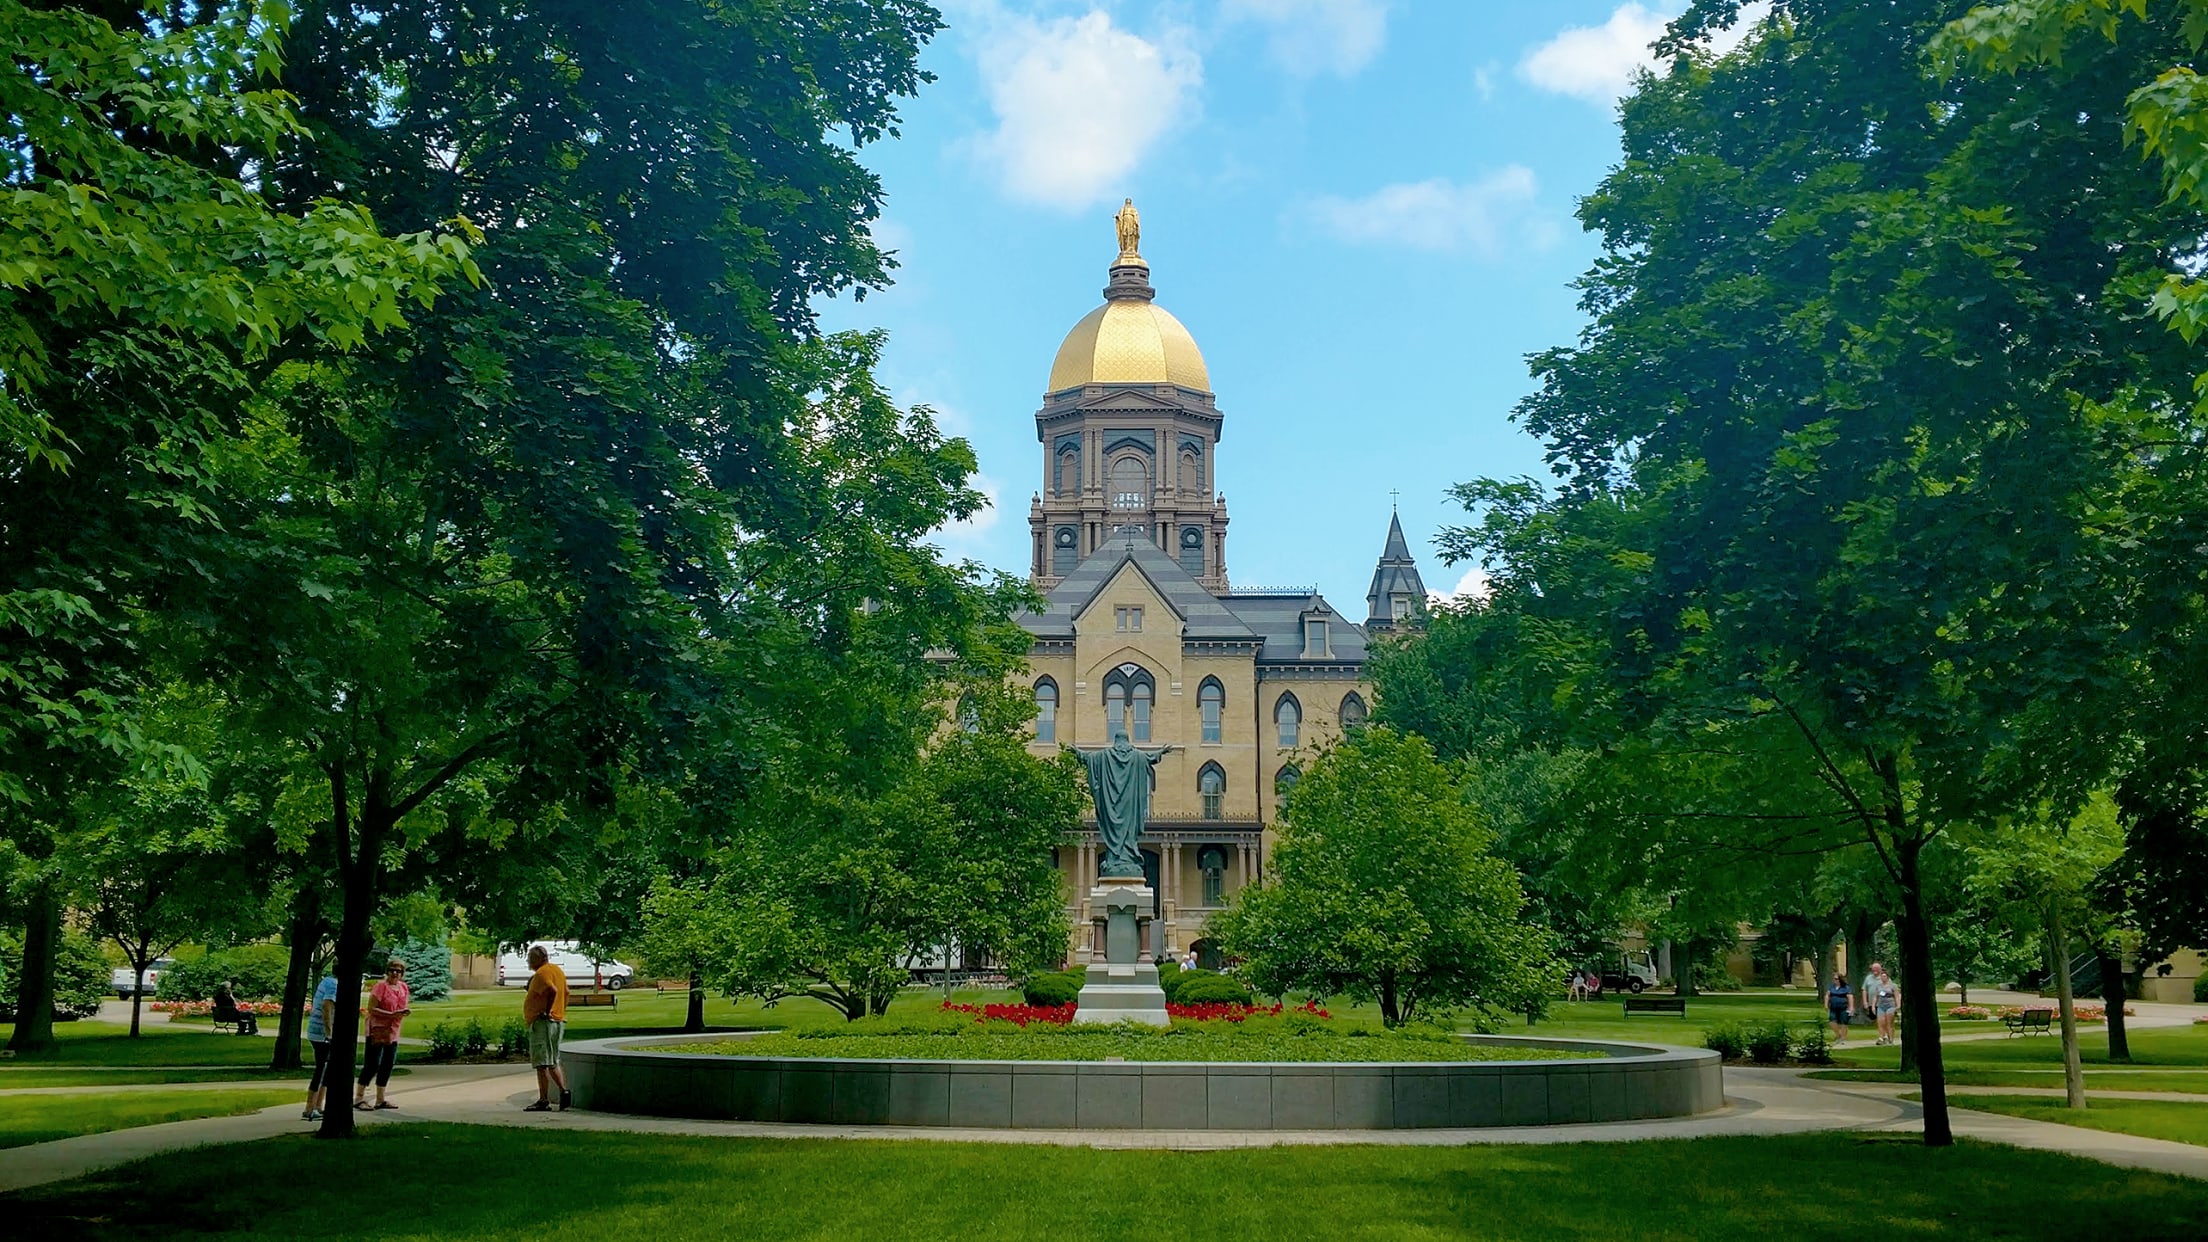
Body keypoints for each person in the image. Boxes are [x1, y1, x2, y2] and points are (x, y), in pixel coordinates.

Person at [354, 959, 410, 1110]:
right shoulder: (380, 987)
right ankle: (359, 1097)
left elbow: (402, 1007)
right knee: (372, 1064)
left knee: (387, 1064)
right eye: (392, 970)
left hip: (393, 1031)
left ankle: (380, 1099)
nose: (395, 973)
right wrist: (391, 1014)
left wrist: (402, 1013)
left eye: (398, 971)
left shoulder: (403, 987)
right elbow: (371, 1008)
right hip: (377, 1029)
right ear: (387, 971)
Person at [522, 944, 570, 1112]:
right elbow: (567, 992)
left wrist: (547, 1011)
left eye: (530, 958)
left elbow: (553, 990)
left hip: (544, 1024)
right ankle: (564, 1092)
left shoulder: (542, 973)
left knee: (542, 1063)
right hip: (557, 1022)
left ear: (537, 959)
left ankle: (543, 1100)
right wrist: (559, 1011)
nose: (528, 961)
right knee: (552, 1060)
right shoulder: (556, 970)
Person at [303, 971, 340, 1121]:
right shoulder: (333, 984)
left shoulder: (327, 980)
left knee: (326, 1070)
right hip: (321, 1034)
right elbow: (326, 1005)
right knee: (322, 1069)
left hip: (316, 1031)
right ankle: (309, 1108)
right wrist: (329, 1033)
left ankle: (318, 1106)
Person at [1870, 963, 1900, 1047]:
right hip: (1881, 1005)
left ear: (1887, 977)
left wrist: (1898, 1006)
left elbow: (1896, 996)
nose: (1883, 978)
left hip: (1890, 1005)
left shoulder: (1893, 986)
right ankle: (1881, 1037)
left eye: (1884, 976)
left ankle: (1891, 1038)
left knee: (1889, 1023)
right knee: (1881, 1022)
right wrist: (1873, 1006)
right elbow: (1876, 996)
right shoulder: (1878, 986)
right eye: (1881, 976)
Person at [1826, 971, 1854, 1043]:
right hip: (1833, 1007)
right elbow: (1827, 995)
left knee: (1843, 1022)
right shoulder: (1831, 987)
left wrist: (1851, 1007)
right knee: (1832, 1021)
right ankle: (1838, 1034)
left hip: (1843, 1007)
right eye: (1834, 979)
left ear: (1840, 979)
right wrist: (1826, 1004)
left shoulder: (1846, 988)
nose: (1834, 980)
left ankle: (1843, 1037)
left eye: (1836, 979)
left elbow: (1850, 997)